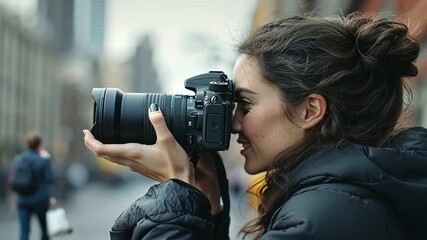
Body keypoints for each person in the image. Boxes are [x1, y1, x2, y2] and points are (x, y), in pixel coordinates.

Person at [83, 13, 427, 240]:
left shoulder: (327, 216)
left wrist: (175, 199)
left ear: (310, 111)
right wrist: (209, 207)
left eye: (245, 104)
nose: (232, 123)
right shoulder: (348, 196)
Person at [11, 132, 56, 240]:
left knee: (24, 231)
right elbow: (49, 179)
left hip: (23, 200)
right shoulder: (42, 160)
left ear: (26, 144)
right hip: (40, 200)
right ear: (39, 145)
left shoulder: (18, 159)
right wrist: (46, 158)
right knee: (44, 230)